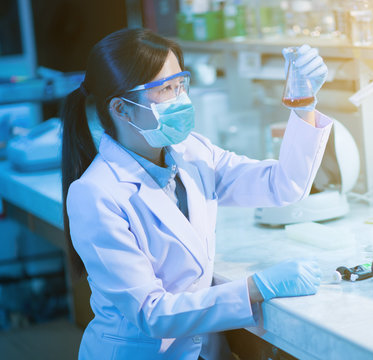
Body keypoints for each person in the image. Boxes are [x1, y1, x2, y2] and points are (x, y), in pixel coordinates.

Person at [62, 28, 332, 360]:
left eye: (180, 84)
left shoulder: (192, 152)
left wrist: (303, 103)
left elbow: (282, 184)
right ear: (121, 108)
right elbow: (152, 313)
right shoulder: (95, 194)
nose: (180, 99)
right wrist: (256, 288)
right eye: (164, 89)